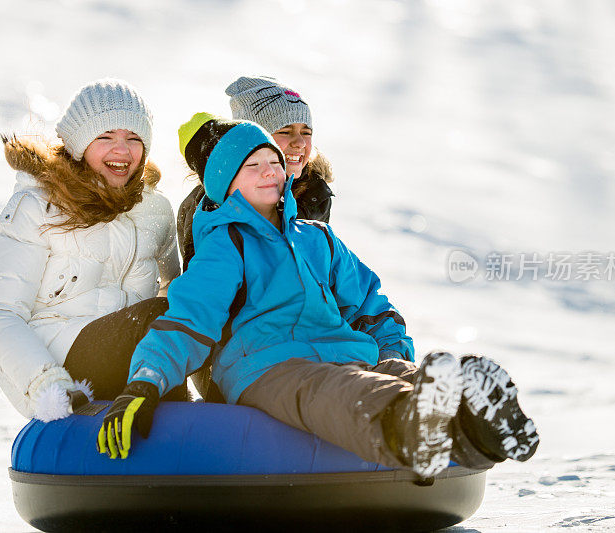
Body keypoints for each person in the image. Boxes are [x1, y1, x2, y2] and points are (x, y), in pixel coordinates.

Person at [96, 114, 539, 478]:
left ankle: (476, 427)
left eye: (272, 161)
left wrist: (393, 354)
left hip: (343, 353)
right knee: (330, 389)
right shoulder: (224, 244)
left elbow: (369, 301)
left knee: (392, 370)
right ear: (228, 186)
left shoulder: (318, 239)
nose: (271, 171)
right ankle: (413, 428)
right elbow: (189, 318)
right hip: (268, 366)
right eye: (254, 167)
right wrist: (145, 382)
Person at [0, 79, 182, 422]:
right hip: (55, 355)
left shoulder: (154, 210)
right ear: (78, 144)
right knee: (161, 319)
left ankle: (203, 434)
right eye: (105, 137)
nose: (122, 150)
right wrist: (46, 382)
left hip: (132, 351)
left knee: (195, 311)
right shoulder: (38, 206)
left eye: (134, 139)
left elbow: (172, 288)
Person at [176, 76, 333, 273]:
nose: (300, 143)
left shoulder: (315, 194)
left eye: (306, 132)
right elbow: (201, 284)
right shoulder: (208, 204)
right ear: (254, 140)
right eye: (285, 131)